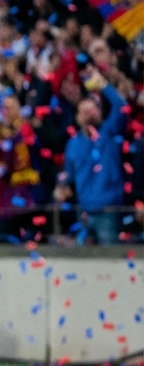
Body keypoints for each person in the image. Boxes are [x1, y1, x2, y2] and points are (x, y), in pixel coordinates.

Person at [54, 68, 128, 245]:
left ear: (100, 113)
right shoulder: (73, 144)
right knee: (86, 263)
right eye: (83, 111)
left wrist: (103, 85)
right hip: (84, 211)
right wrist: (61, 185)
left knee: (111, 260)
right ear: (77, 118)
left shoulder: (109, 133)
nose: (88, 115)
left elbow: (121, 107)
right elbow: (68, 173)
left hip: (109, 209)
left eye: (92, 110)